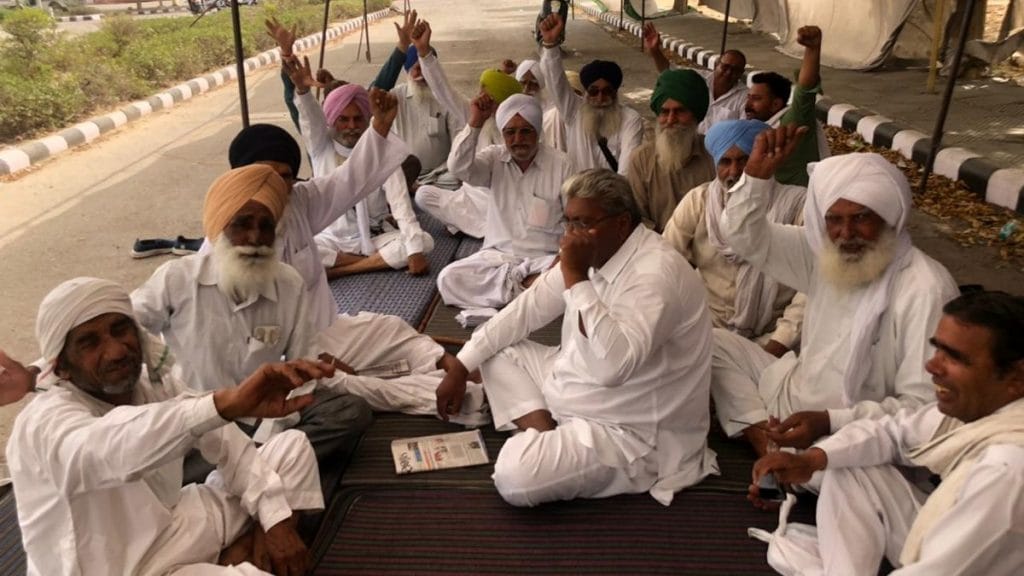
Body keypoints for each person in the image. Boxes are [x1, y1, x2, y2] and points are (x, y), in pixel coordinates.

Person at [6, 276, 332, 575]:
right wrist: (223, 403)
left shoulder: (152, 384)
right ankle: (241, 559)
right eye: (90, 343)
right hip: (131, 569)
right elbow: (109, 447)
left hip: (175, 526)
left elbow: (228, 446)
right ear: (61, 366)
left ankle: (243, 551)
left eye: (121, 329)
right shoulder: (43, 422)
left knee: (292, 448)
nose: (117, 350)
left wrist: (274, 522)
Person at [435, 169, 718, 507]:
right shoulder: (596, 250)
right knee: (494, 352)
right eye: (568, 223)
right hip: (574, 381)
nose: (571, 236)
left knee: (515, 478)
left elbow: (613, 368)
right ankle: (546, 432)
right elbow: (526, 309)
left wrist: (575, 278)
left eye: (584, 223)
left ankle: (545, 439)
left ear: (623, 223)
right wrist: (461, 366)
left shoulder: (655, 275)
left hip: (629, 429)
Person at [712, 126, 959, 458]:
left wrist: (830, 422)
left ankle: (783, 453)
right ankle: (764, 436)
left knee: (841, 480)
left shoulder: (926, 288)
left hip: (850, 430)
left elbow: (921, 408)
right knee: (713, 343)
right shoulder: (822, 255)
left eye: (861, 218)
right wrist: (755, 179)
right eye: (834, 219)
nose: (846, 233)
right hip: (791, 391)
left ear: (890, 217)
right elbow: (743, 236)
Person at [750, 290, 1024, 575]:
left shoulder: (1005, 470)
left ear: (1016, 378)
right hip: (950, 537)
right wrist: (811, 461)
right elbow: (893, 433)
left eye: (954, 358)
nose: (932, 366)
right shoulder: (984, 407)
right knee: (847, 464)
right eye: (937, 349)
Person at [132, 165, 374, 484]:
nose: (255, 238)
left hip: (267, 415)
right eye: (242, 224)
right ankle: (270, 469)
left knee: (350, 411)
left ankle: (244, 472)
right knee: (150, 456)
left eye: (266, 226)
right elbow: (124, 326)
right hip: (200, 419)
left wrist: (271, 429)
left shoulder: (289, 284)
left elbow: (305, 365)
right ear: (219, 227)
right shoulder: (177, 279)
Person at [221, 87, 409, 333]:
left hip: (328, 332)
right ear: (241, 178)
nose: (276, 187)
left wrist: (380, 127)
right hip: (282, 356)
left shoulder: (299, 200)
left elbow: (350, 178)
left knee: (398, 331)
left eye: (284, 176)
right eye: (265, 176)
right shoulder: (225, 237)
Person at [663, 119, 806, 358]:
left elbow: (812, 285)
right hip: (709, 333)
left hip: (779, 340)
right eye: (726, 162)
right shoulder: (699, 202)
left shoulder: (797, 205)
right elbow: (665, 261)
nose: (735, 172)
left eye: (745, 160)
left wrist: (779, 343)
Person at [284, 58, 433, 278]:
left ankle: (345, 268)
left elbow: (400, 202)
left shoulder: (381, 150)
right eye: (343, 119)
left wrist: (413, 250)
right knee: (295, 256)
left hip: (375, 236)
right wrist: (303, 91)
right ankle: (369, 263)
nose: (351, 126)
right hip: (331, 238)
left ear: (367, 119)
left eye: (357, 119)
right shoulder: (321, 146)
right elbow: (310, 120)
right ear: (333, 119)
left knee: (423, 242)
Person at [436, 93, 573, 310]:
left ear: (538, 131)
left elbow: (574, 222)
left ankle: (514, 295)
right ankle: (529, 291)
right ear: (502, 134)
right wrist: (475, 123)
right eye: (510, 132)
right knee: (447, 278)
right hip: (498, 259)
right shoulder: (494, 159)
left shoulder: (562, 164)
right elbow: (458, 167)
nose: (518, 139)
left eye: (525, 131)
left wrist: (562, 259)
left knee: (581, 275)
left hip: (544, 259)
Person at [410, 19, 524, 238]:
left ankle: (471, 227)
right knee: (424, 195)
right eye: (481, 91)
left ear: (503, 102)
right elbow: (444, 91)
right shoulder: (473, 114)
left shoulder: (518, 129)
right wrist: (424, 52)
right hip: (467, 197)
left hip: (499, 201)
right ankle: (476, 227)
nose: (481, 98)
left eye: (488, 95)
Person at [537, 14, 644, 176]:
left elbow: (626, 172)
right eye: (594, 92)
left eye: (607, 91)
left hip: (613, 195)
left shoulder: (630, 119)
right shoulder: (574, 111)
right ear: (586, 92)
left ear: (615, 92)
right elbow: (555, 81)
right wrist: (551, 45)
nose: (600, 98)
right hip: (578, 194)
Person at [626, 68, 715, 232]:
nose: (671, 120)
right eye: (665, 112)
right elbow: (640, 219)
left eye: (680, 111)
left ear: (695, 115)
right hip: (658, 249)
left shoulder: (713, 155)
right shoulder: (641, 159)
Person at [743, 26, 829, 187]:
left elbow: (805, 91)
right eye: (748, 98)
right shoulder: (758, 125)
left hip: (801, 200)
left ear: (776, 104)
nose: (748, 105)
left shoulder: (792, 119)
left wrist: (812, 49)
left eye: (756, 99)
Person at [642, 22, 748, 135]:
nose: (728, 73)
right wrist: (655, 51)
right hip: (688, 143)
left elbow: (743, 131)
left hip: (719, 150)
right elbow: (669, 72)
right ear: (717, 64)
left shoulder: (744, 97)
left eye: (735, 70)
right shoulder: (697, 79)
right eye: (725, 67)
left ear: (741, 73)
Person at [514, 58, 566, 152]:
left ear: (540, 85)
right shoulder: (510, 108)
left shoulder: (552, 111)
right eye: (523, 83)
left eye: (533, 83)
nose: (527, 88)